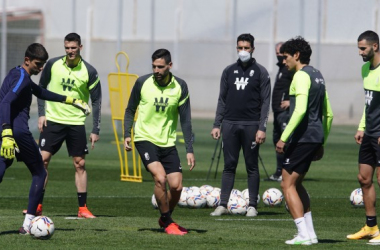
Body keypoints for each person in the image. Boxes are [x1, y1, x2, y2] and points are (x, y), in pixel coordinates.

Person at [0, 43, 90, 234]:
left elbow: (40, 92)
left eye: (43, 64)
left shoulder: (17, 73)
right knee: (40, 172)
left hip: (5, 130)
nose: (41, 68)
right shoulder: (23, 78)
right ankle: (28, 225)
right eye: (38, 64)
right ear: (27, 60)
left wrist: (70, 100)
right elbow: (6, 102)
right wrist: (8, 132)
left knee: (4, 163)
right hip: (16, 132)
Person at [124, 49, 195, 235]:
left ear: (170, 66)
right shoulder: (142, 82)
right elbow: (130, 109)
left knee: (177, 186)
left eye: (160, 67)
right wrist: (127, 134)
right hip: (144, 138)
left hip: (167, 142)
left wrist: (189, 149)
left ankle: (165, 218)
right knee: (160, 178)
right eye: (154, 66)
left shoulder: (180, 86)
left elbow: (186, 120)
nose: (156, 70)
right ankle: (169, 223)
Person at [33, 33, 102, 218]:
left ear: (80, 47)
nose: (70, 51)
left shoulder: (90, 71)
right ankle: (37, 205)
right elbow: (41, 89)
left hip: (76, 123)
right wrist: (42, 114)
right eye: (67, 47)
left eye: (73, 47)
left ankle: (83, 208)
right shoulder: (53, 65)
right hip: (53, 120)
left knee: (80, 164)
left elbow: (96, 101)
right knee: (42, 161)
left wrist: (96, 129)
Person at [276, 36, 333, 245]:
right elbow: (329, 114)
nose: (284, 61)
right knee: (297, 184)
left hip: (302, 137)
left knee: (286, 184)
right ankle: (310, 234)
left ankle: (302, 235)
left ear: (296, 56)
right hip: (314, 137)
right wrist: (322, 142)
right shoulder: (318, 75)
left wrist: (283, 138)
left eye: (286, 57)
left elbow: (299, 110)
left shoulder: (300, 76)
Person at [210, 33, 271, 217]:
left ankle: (252, 205)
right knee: (229, 165)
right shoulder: (228, 71)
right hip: (230, 124)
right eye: (240, 48)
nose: (243, 51)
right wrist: (217, 124)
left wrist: (262, 127)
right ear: (236, 48)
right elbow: (222, 99)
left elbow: (265, 102)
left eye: (246, 47)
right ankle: (222, 204)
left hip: (251, 125)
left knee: (251, 166)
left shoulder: (261, 72)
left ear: (253, 49)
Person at [347, 30, 380, 243]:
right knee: (364, 178)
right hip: (369, 133)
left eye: (363, 48)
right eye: (359, 48)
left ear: (375, 46)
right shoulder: (365, 69)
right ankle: (371, 227)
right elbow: (369, 104)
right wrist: (361, 127)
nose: (360, 52)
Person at [269, 42, 294, 182]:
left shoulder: (291, 69)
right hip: (277, 112)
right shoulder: (282, 68)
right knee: (277, 141)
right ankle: (279, 172)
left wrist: (291, 102)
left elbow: (299, 87)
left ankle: (287, 171)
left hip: (285, 113)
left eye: (281, 52)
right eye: (276, 52)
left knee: (285, 141)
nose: (278, 55)